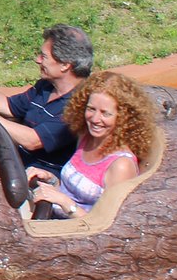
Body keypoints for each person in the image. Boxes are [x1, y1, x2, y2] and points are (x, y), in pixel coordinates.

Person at [0, 24, 94, 178]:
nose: (37, 60)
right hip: (16, 163)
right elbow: (9, 106)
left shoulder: (80, 104)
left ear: (65, 65)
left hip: (39, 179)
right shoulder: (46, 86)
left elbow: (32, 140)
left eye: (43, 56)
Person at [26, 71, 158, 219]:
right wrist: (50, 179)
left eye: (105, 113)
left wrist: (64, 202)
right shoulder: (85, 137)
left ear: (123, 118)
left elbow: (107, 225)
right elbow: (72, 191)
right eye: (91, 109)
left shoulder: (121, 165)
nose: (95, 119)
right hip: (52, 216)